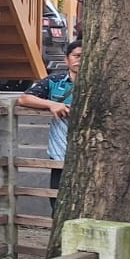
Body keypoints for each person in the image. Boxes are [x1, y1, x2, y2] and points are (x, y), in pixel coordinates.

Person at [18, 40, 81, 209]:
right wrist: (51, 104)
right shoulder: (55, 81)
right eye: (76, 56)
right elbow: (24, 98)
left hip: (90, 156)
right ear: (67, 59)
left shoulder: (100, 84)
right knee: (58, 204)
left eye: (85, 57)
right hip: (60, 153)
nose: (80, 61)